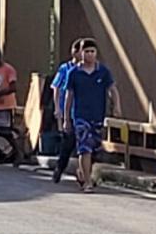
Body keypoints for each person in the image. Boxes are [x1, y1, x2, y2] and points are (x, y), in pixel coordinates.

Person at [63, 38, 120, 193]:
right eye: (86, 51)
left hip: (98, 115)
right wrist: (66, 118)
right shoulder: (73, 73)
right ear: (80, 53)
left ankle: (83, 172)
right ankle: (87, 182)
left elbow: (112, 89)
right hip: (80, 115)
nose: (89, 54)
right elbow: (69, 96)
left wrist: (116, 107)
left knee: (94, 148)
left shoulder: (103, 71)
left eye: (92, 51)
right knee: (84, 147)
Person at [50, 37, 83, 183]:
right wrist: (58, 108)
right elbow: (56, 87)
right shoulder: (65, 68)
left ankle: (83, 174)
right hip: (67, 111)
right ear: (74, 52)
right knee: (68, 144)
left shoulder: (89, 69)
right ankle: (59, 169)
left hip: (83, 111)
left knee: (85, 146)